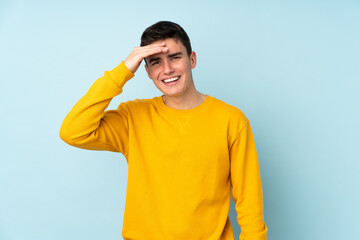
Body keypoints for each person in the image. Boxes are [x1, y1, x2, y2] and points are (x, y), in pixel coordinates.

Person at [60, 21, 268, 240]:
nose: (167, 69)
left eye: (175, 57)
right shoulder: (133, 117)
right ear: (147, 71)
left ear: (192, 59)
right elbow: (73, 131)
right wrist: (124, 69)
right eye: (155, 62)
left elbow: (250, 202)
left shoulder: (231, 119)